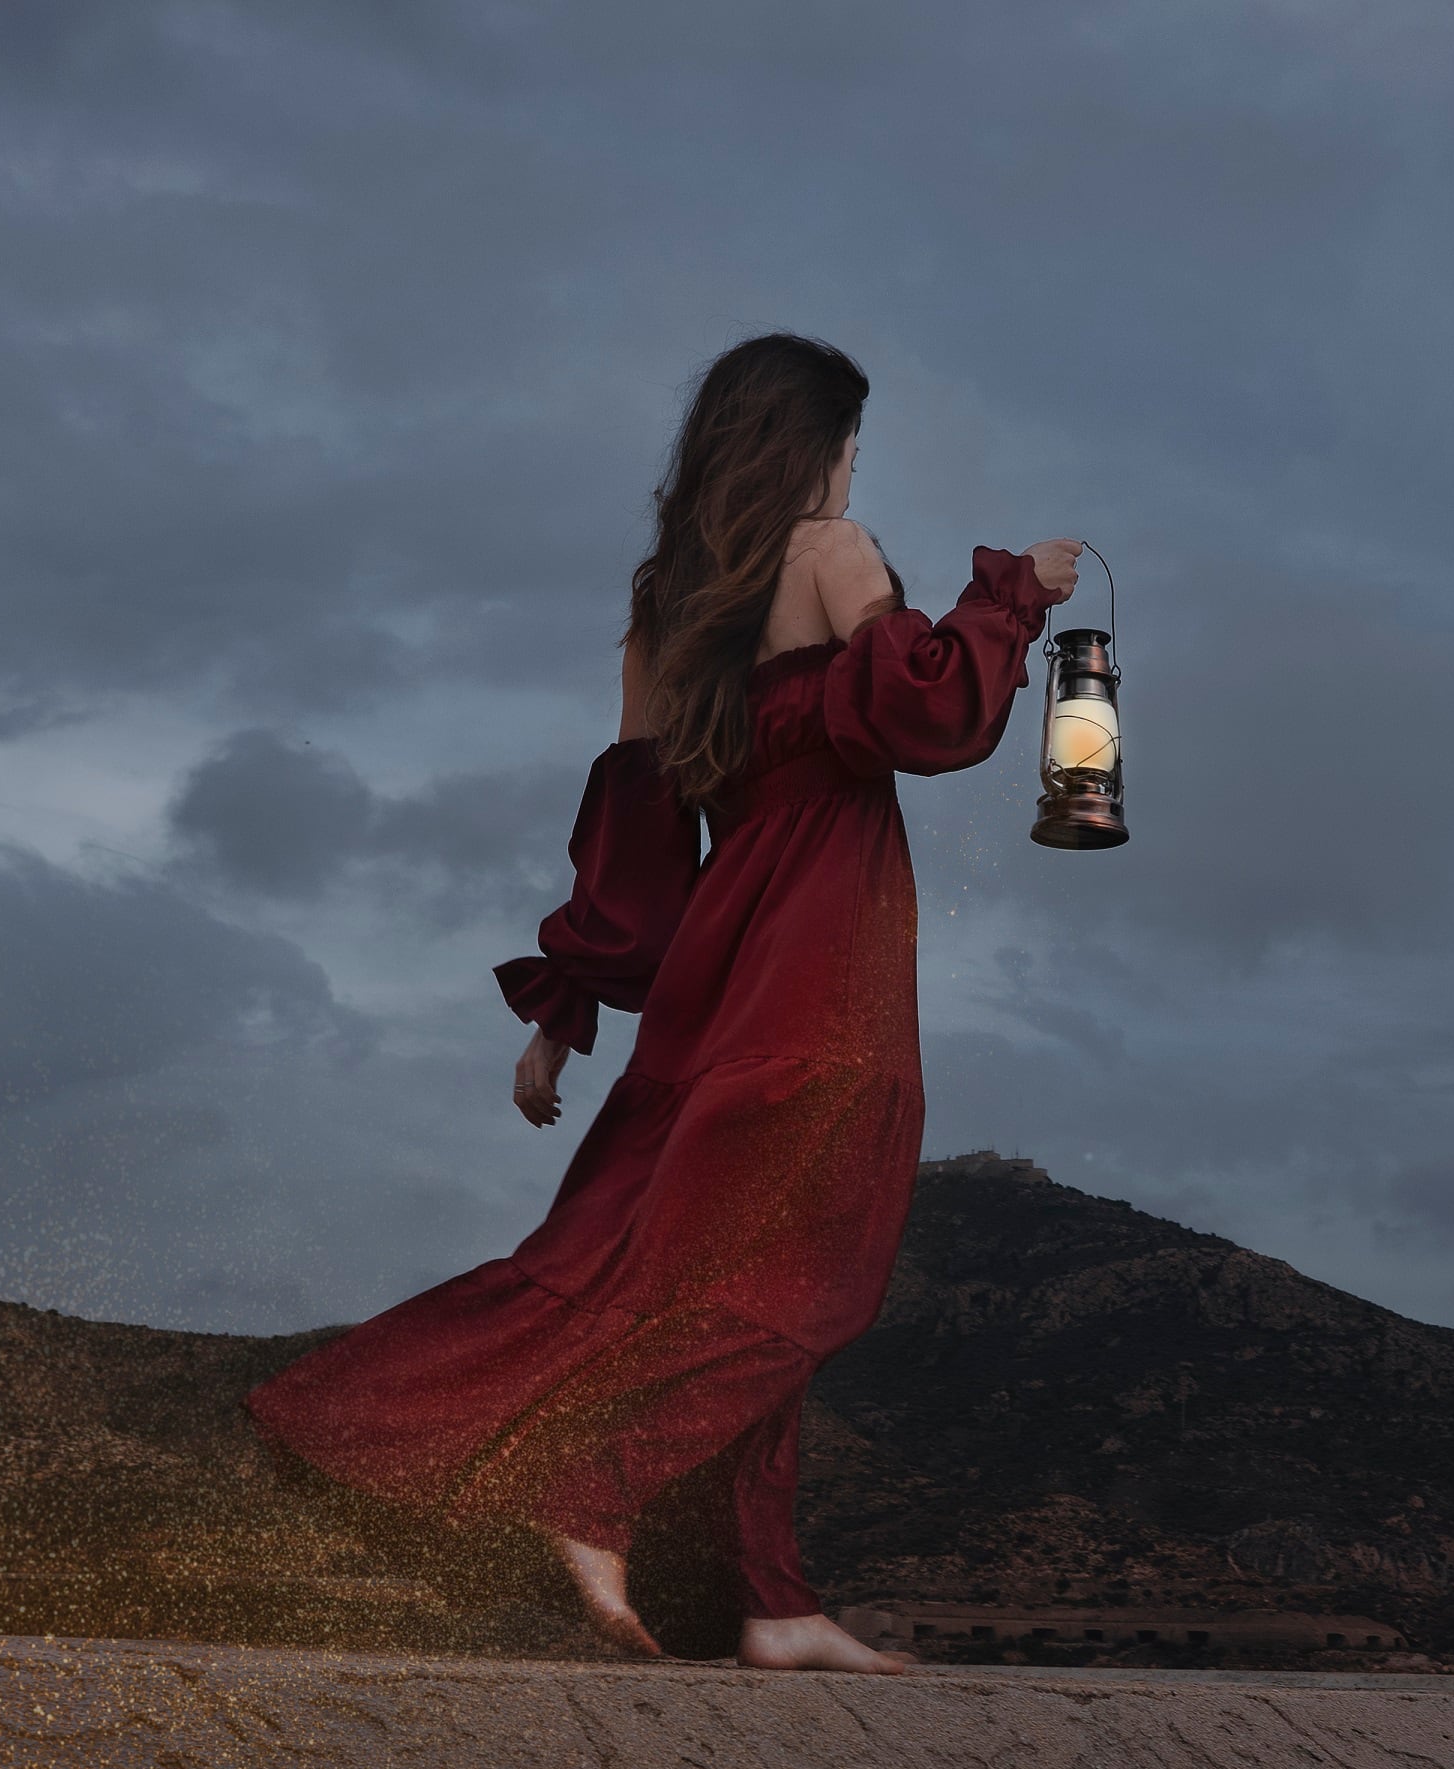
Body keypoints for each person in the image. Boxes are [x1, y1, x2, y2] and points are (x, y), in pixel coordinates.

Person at [247, 333, 1080, 1672]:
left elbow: (638, 836)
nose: (855, 469)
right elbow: (928, 723)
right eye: (850, 444)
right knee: (811, 1267)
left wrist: (562, 1010)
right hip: (821, 948)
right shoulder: (836, 553)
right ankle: (584, 1492)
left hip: (715, 962)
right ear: (808, 450)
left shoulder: (664, 611)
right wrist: (1011, 601)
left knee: (698, 1254)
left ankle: (774, 1602)